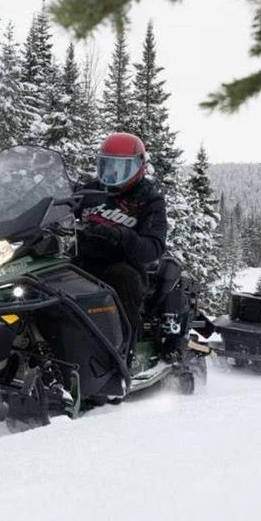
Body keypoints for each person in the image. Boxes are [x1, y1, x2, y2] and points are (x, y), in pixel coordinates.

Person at [76, 132, 167, 364]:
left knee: (121, 279)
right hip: (83, 260)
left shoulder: (149, 200)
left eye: (120, 168)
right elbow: (62, 210)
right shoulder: (89, 191)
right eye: (107, 166)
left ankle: (124, 355)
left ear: (138, 167)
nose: (112, 174)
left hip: (125, 265)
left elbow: (153, 247)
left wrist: (121, 235)